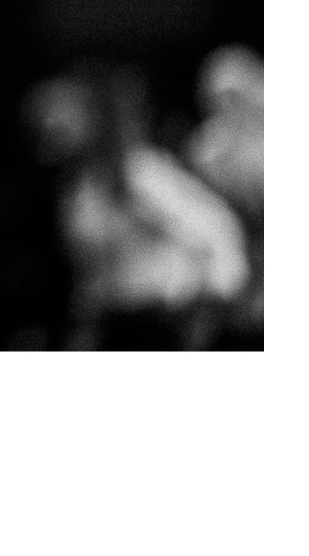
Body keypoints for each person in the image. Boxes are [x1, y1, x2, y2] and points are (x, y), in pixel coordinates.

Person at [24, 64, 248, 349]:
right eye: (42, 125)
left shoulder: (138, 173)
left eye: (59, 122)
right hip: (111, 325)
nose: (49, 131)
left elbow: (216, 227)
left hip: (160, 324)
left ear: (93, 120)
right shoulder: (79, 189)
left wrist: (212, 306)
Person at [185, 45, 264, 347]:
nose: (226, 105)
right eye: (217, 97)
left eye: (235, 95)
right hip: (228, 266)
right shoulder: (205, 150)